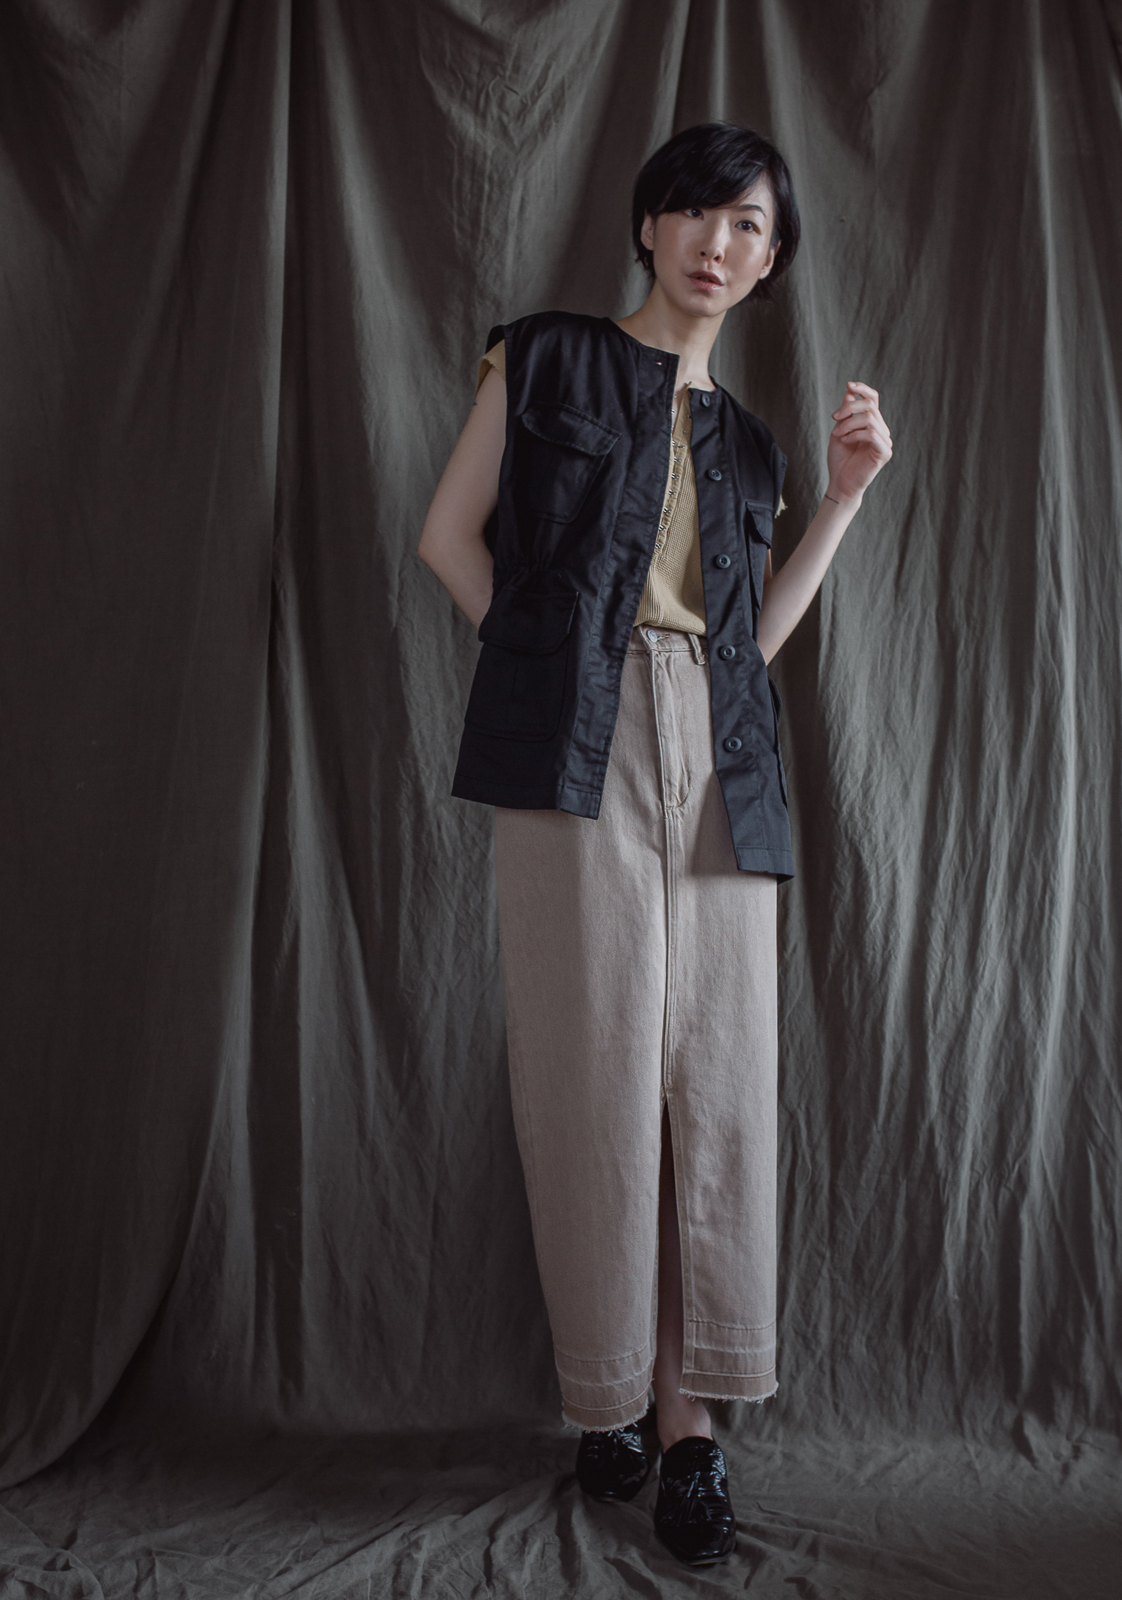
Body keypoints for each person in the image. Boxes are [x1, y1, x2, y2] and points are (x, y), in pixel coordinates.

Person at [417, 122, 892, 1567]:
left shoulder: (749, 444)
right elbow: (448, 537)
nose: (717, 243)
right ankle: (611, 1395)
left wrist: (843, 499)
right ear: (648, 225)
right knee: (597, 1071)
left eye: (749, 227)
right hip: (579, 740)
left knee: (715, 1084)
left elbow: (750, 639)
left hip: (725, 751)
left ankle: (691, 1427)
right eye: (696, 212)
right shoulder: (544, 359)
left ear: (770, 262)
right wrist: (551, 672)